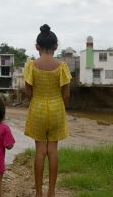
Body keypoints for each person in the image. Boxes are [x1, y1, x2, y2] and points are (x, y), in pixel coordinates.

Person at [23, 24, 71, 197]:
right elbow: (66, 94)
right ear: (56, 46)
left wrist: (36, 102)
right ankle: (51, 192)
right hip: (57, 108)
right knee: (52, 150)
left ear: (37, 47)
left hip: (37, 108)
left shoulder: (31, 65)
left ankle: (38, 193)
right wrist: (59, 106)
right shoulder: (62, 66)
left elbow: (28, 91)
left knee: (40, 151)